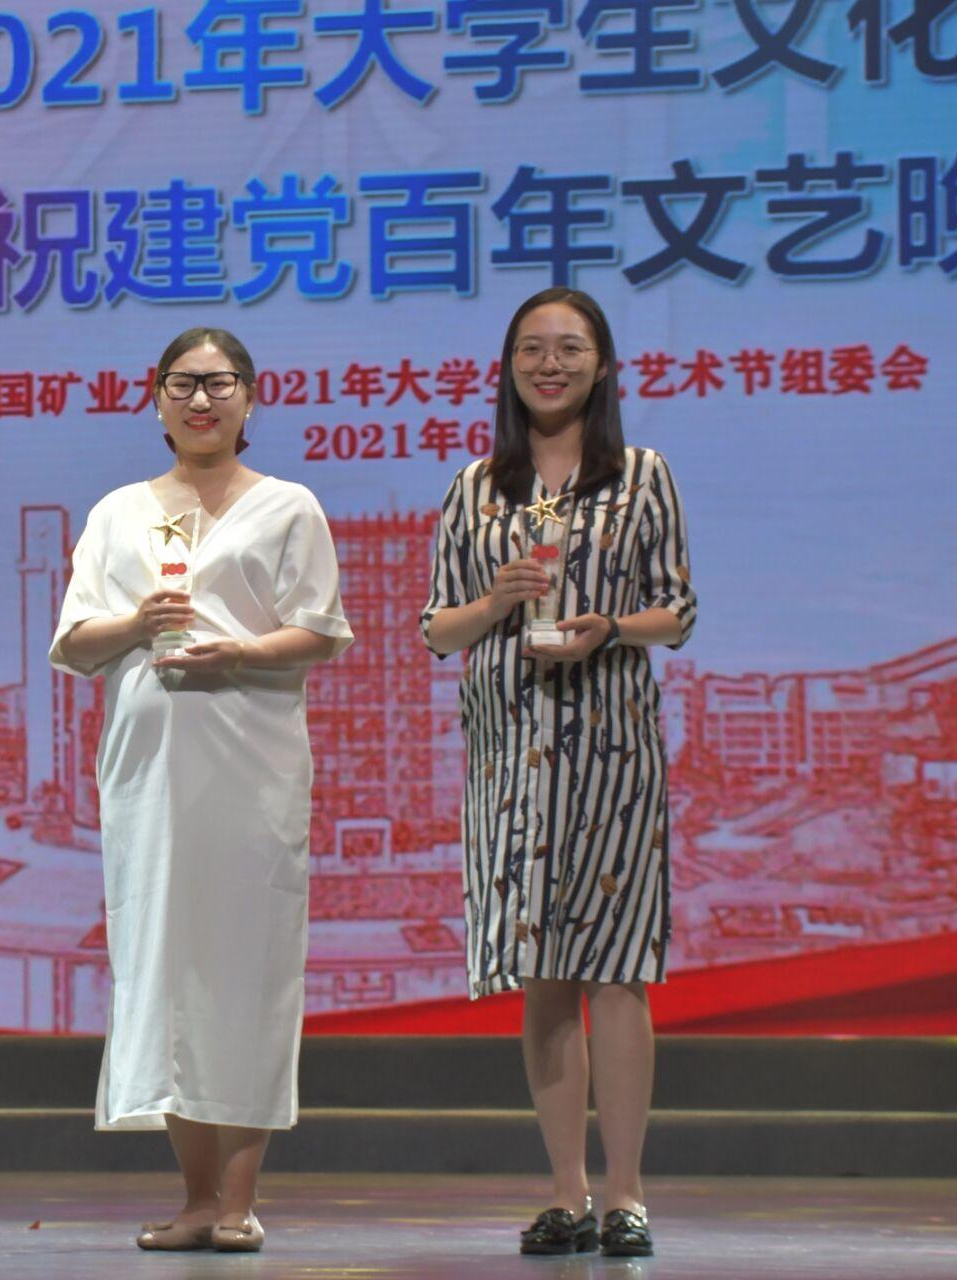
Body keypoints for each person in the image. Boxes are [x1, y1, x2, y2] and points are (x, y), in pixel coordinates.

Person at [49, 327, 353, 1254]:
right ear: (156, 400)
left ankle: (238, 1201)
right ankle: (193, 1196)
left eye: (220, 383)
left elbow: (320, 630)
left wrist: (243, 653)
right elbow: (75, 642)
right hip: (148, 773)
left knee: (248, 971)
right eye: (182, 383)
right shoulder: (118, 513)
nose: (201, 400)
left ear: (251, 398)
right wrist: (139, 623)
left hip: (252, 767)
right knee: (167, 973)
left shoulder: (290, 506)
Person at [420, 287, 696, 1260]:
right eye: (532, 348)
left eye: (569, 348)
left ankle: (626, 1195)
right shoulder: (474, 487)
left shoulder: (643, 476)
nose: (550, 363)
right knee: (542, 974)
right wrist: (499, 599)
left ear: (603, 364)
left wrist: (609, 628)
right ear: (508, 367)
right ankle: (568, 1193)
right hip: (510, 760)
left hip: (613, 753)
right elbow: (437, 628)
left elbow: (678, 610)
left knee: (617, 972)